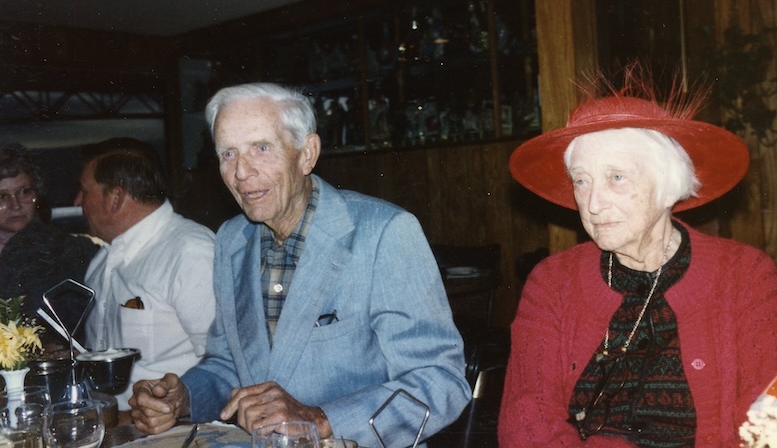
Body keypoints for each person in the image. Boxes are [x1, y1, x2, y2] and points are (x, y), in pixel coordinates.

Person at [128, 83, 470, 447]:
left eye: (261, 148)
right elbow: (230, 365)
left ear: (307, 154)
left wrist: (321, 420)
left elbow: (441, 380)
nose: (241, 172)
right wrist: (183, 397)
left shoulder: (383, 233)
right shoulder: (232, 240)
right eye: (228, 153)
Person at [499, 67, 777, 446]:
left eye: (617, 178)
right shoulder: (552, 281)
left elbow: (774, 421)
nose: (592, 203)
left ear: (668, 185)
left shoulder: (745, 275)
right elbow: (526, 419)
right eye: (581, 180)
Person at [76, 138, 216, 415]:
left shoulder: (190, 252)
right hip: (107, 422)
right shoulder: (103, 259)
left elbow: (224, 363)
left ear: (115, 197)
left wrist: (176, 405)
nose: (77, 201)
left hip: (174, 429)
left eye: (84, 191)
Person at [0, 143, 99, 346]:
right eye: (2, 196)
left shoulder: (71, 250)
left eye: (24, 192)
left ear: (37, 193)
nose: (16, 205)